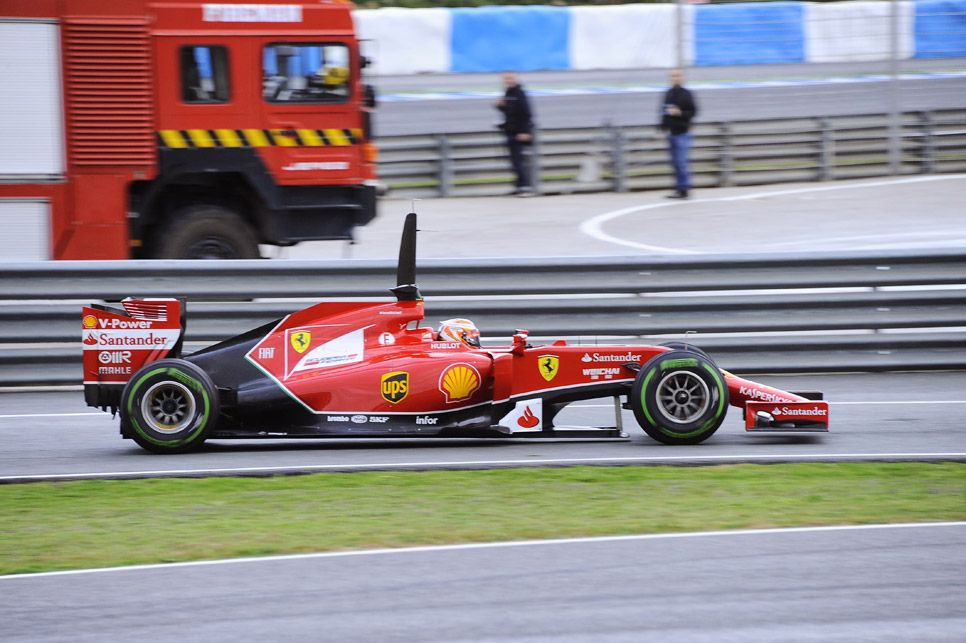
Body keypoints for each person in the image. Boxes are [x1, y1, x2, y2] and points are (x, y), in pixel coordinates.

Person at [659, 69, 698, 199]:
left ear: (682, 78)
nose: (675, 78)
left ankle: (685, 189)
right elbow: (663, 112)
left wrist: (680, 113)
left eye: (678, 76)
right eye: (673, 76)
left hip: (683, 133)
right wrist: (662, 129)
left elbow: (693, 112)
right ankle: (678, 189)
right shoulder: (668, 94)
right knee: (675, 163)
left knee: (681, 163)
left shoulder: (686, 94)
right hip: (671, 133)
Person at [496, 72, 535, 197]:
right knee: (514, 161)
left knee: (519, 161)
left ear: (516, 79)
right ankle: (519, 186)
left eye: (510, 78)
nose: (508, 80)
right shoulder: (508, 93)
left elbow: (526, 113)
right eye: (506, 78)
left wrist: (525, 132)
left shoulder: (519, 93)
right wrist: (500, 107)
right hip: (510, 131)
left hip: (519, 132)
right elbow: (510, 112)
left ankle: (525, 187)